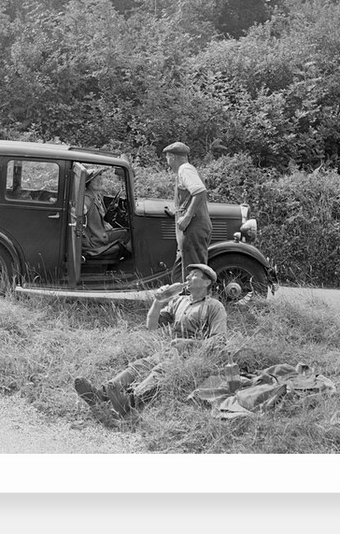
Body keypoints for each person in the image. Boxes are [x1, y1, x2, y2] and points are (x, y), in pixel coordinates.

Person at [74, 263, 228, 417]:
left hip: (194, 357)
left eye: (194, 274)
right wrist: (158, 301)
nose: (187, 278)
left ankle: (129, 402)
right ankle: (101, 395)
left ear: (207, 282)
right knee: (141, 364)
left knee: (161, 369)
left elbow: (218, 341)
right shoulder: (180, 302)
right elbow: (151, 325)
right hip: (172, 351)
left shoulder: (215, 306)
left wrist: (188, 344)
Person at [162, 141, 212, 281]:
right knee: (181, 271)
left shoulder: (185, 169)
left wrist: (187, 216)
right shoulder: (185, 170)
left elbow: (200, 192)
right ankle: (181, 299)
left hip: (193, 227)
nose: (167, 162)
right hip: (189, 228)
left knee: (195, 271)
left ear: (173, 157)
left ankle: (197, 301)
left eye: (167, 157)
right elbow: (190, 196)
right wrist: (178, 210)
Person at [82, 167, 130, 258]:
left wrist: (104, 223)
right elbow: (81, 209)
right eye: (96, 180)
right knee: (126, 234)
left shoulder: (98, 195)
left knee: (125, 231)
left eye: (100, 178)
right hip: (94, 239)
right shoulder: (87, 198)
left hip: (100, 232)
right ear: (89, 183)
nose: (100, 181)